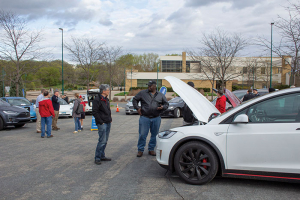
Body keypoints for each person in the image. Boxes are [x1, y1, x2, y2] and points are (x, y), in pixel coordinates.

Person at [133, 80, 169, 157]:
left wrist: (163, 107)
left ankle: (151, 149)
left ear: (154, 86)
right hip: (144, 118)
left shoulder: (160, 95)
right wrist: (137, 108)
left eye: (150, 86)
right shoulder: (142, 93)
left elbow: (166, 104)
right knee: (142, 134)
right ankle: (140, 150)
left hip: (156, 118)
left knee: (154, 135)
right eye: (148, 86)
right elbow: (135, 99)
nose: (149, 87)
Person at [92, 84, 112, 165]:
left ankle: (102, 155)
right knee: (102, 140)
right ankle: (97, 157)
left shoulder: (106, 99)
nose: (109, 91)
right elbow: (95, 112)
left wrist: (110, 119)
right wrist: (100, 121)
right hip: (102, 123)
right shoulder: (97, 100)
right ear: (103, 91)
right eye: (108, 90)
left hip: (107, 121)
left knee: (105, 140)